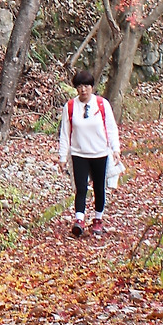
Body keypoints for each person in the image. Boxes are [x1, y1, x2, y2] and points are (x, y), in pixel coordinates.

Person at [57, 68, 121, 238]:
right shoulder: (70, 107)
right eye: (79, 86)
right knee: (81, 187)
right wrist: (62, 157)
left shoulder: (102, 104)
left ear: (92, 87)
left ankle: (98, 219)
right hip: (79, 153)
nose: (83, 90)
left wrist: (115, 149)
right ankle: (79, 220)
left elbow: (111, 128)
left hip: (100, 152)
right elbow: (65, 133)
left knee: (99, 187)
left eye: (86, 86)